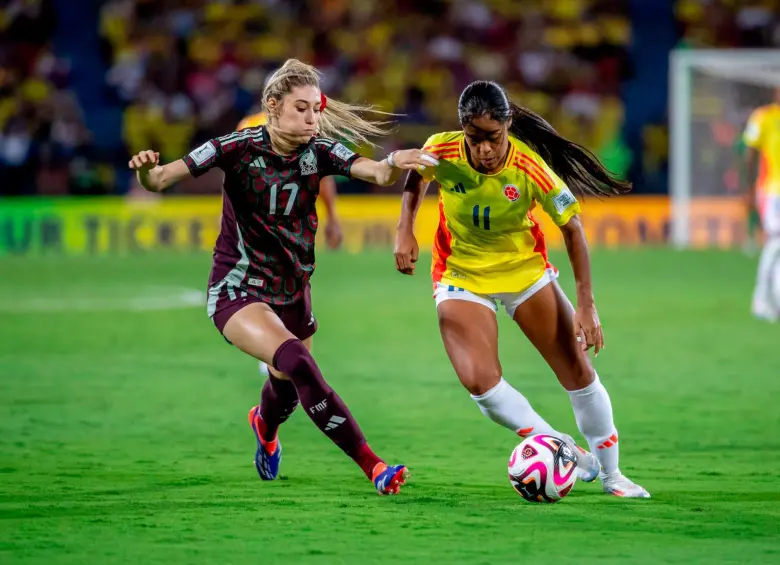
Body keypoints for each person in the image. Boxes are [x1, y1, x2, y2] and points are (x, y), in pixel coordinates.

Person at [128, 59, 438, 495]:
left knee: (287, 386)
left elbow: (377, 172)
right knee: (298, 362)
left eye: (316, 109)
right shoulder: (235, 147)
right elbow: (160, 179)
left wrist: (395, 161)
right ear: (273, 106)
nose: (313, 119)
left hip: (293, 290)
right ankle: (374, 466)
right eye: (301, 109)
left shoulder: (321, 152)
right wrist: (146, 170)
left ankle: (264, 426)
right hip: (238, 288)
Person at [393, 80, 650, 498]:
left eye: (492, 138)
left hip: (525, 274)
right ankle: (564, 449)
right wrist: (405, 229)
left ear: (508, 125)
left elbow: (573, 229)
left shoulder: (530, 168)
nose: (484, 150)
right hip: (460, 274)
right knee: (480, 383)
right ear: (462, 129)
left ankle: (613, 475)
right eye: (474, 139)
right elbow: (416, 178)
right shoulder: (441, 148)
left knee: (578, 372)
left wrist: (586, 306)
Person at [237, 110, 342, 378]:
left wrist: (332, 217)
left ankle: (278, 347)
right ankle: (275, 347)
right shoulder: (251, 126)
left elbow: (320, 173)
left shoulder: (305, 128)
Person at [743, 88, 780, 322]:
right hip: (772, 191)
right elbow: (750, 155)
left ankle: (772, 299)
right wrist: (748, 189)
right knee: (776, 241)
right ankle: (760, 299)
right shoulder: (763, 117)